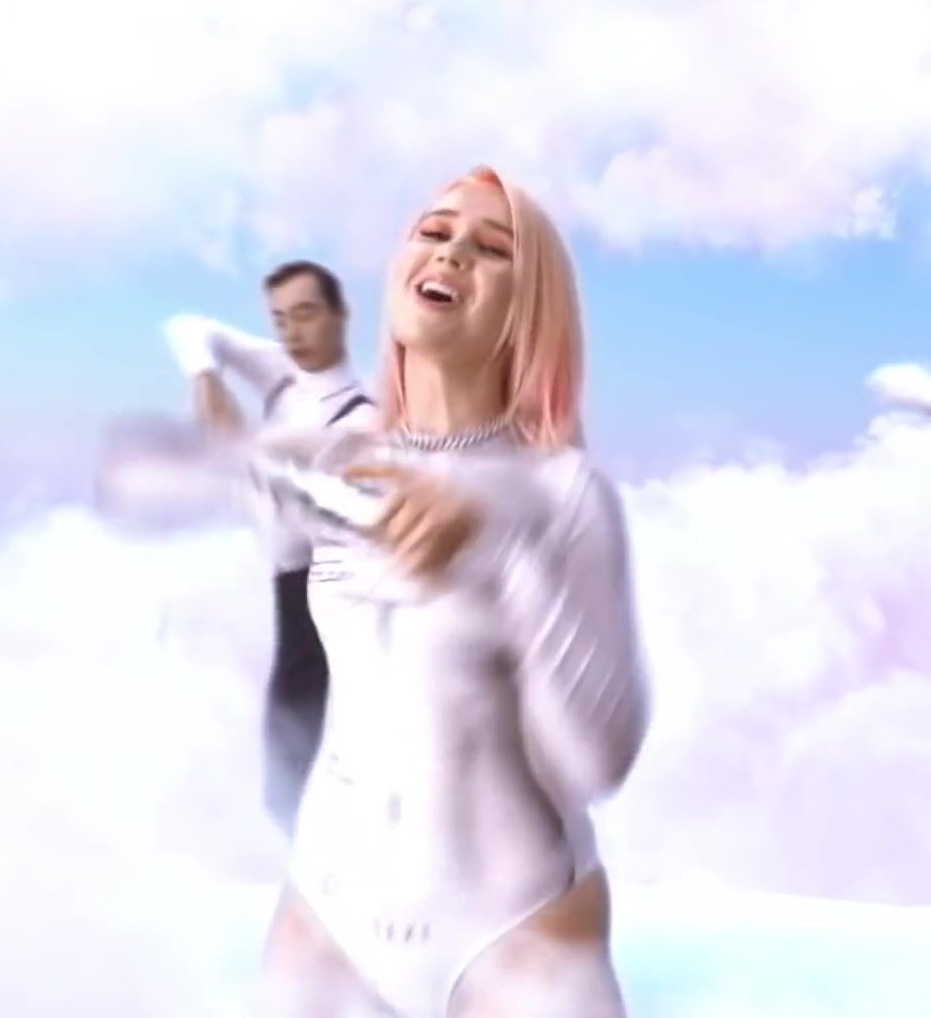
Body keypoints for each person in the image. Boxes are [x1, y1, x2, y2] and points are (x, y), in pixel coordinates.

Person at [255, 166, 651, 1018]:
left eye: (492, 248)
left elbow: (599, 763)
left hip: (513, 932)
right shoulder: (342, 458)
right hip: (325, 915)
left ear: (531, 309)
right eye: (434, 233)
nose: (452, 253)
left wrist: (503, 559)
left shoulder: (561, 494)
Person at [161, 261, 377, 834]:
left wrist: (236, 443)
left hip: (334, 591)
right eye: (280, 320)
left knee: (320, 747)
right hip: (289, 585)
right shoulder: (283, 375)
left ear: (341, 315)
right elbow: (189, 327)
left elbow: (283, 466)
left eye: (305, 314)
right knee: (288, 749)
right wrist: (206, 378)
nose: (292, 333)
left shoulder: (360, 419)